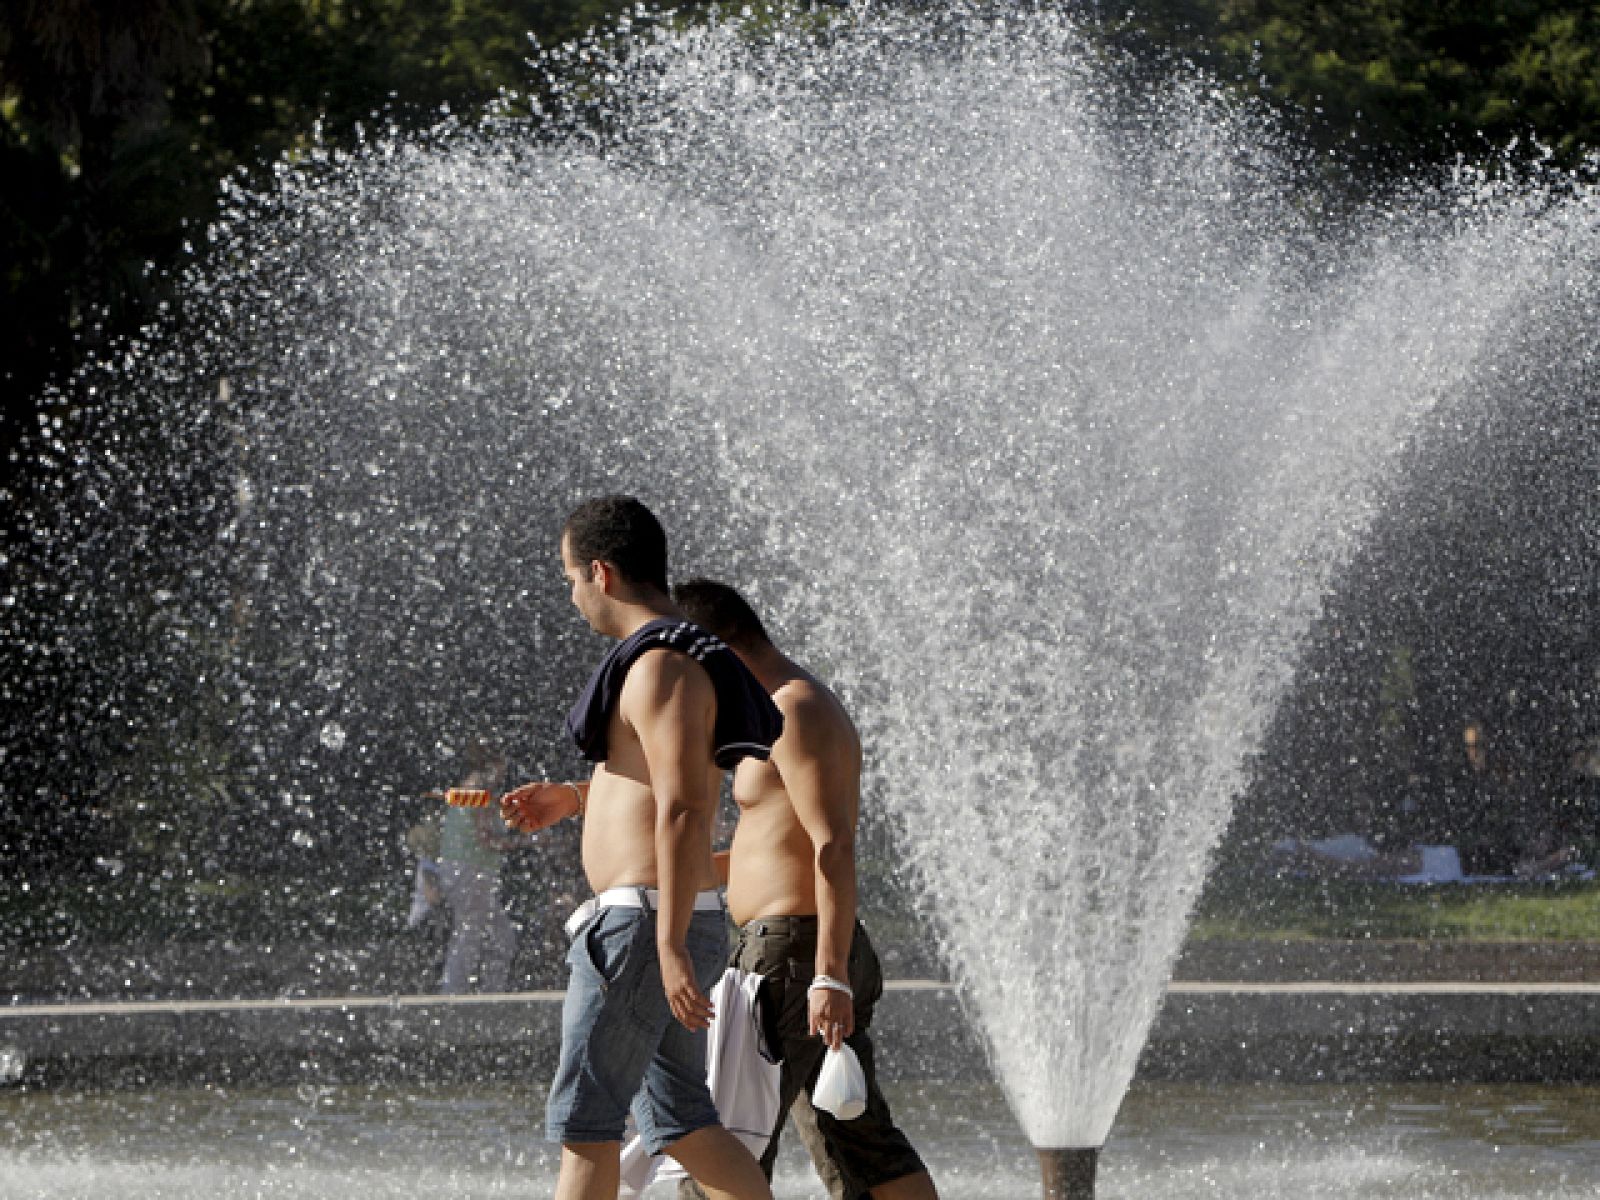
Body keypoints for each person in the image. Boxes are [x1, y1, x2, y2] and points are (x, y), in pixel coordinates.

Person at [497, 496, 781, 1200]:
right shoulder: (668, 660)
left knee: (585, 1124)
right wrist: (574, 796)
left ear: (602, 573)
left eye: (569, 579)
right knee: (682, 1121)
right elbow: (654, 789)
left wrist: (670, 943)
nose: (573, 596)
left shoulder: (662, 666)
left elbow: (687, 805)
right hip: (654, 921)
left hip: (643, 927)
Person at [672, 579, 938, 1200]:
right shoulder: (773, 711)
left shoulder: (796, 709)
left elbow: (832, 844)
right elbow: (763, 851)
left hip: (795, 956)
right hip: (792, 951)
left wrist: (830, 975)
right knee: (856, 1138)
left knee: (720, 1143)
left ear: (718, 653)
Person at [433, 739, 527, 994]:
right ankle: (455, 994)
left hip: (462, 869)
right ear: (491, 766)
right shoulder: (478, 792)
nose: (503, 776)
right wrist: (526, 842)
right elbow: (487, 840)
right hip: (469, 870)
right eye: (502, 769)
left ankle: (487, 993)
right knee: (472, 933)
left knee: (499, 936)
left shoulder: (472, 789)